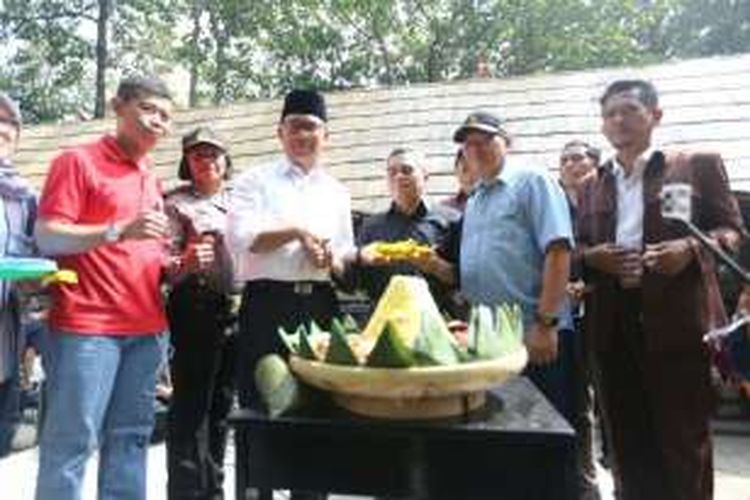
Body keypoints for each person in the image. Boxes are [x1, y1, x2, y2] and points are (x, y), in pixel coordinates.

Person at [576, 79, 743, 500]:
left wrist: (689, 248)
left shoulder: (693, 165)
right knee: (627, 440)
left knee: (683, 440)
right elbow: (575, 248)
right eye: (611, 113)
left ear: (656, 115)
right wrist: (595, 258)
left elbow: (731, 231)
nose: (619, 120)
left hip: (678, 325)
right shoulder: (591, 184)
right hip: (612, 327)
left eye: (630, 110)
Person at [33, 76, 174, 500]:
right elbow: (48, 236)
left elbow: (143, 251)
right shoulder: (77, 161)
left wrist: (177, 265)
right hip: (87, 329)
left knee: (131, 440)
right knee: (71, 444)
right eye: (148, 110)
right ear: (118, 106)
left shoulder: (151, 177)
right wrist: (115, 230)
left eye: (166, 117)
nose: (158, 122)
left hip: (146, 329)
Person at [227, 89, 355, 500]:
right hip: (267, 304)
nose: (304, 135)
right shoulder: (253, 181)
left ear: (326, 135)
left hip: (319, 305)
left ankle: (311, 494)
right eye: (295, 126)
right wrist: (299, 232)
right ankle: (256, 492)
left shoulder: (337, 191)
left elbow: (345, 257)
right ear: (279, 133)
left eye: (312, 127)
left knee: (318, 408)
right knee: (259, 406)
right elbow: (244, 240)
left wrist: (328, 259)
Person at [455, 110, 577, 426]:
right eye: (469, 144)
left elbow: (558, 250)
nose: (476, 149)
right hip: (489, 339)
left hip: (533, 334)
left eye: (485, 140)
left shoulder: (531, 181)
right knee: (504, 429)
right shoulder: (476, 198)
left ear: (507, 142)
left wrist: (546, 323)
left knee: (543, 428)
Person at [164, 127, 236, 500]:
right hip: (195, 306)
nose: (206, 161)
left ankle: (215, 491)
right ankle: (187, 494)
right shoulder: (174, 204)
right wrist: (186, 261)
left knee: (223, 408)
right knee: (191, 410)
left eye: (213, 154)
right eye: (197, 155)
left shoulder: (244, 200)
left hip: (240, 310)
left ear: (226, 162)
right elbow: (162, 265)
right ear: (186, 163)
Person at [339, 147, 459, 313]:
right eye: (392, 172)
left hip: (436, 322)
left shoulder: (452, 220)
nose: (399, 176)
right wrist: (353, 258)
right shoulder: (370, 226)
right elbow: (353, 283)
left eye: (407, 170)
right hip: (384, 323)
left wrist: (436, 266)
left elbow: (463, 278)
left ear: (425, 175)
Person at [559, 140, 602, 500]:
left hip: (606, 313)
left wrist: (589, 286)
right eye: (565, 160)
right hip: (565, 318)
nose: (572, 164)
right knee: (577, 401)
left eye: (579, 158)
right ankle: (583, 484)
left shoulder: (608, 204)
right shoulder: (554, 206)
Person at [0, 91, 38, 457]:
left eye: (8, 122)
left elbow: (35, 264)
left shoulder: (25, 198)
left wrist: (37, 283)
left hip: (7, 339)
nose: (2, 128)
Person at [441, 149, 478, 213]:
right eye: (464, 170)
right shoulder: (445, 207)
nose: (469, 177)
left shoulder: (496, 206)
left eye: (475, 171)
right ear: (456, 171)